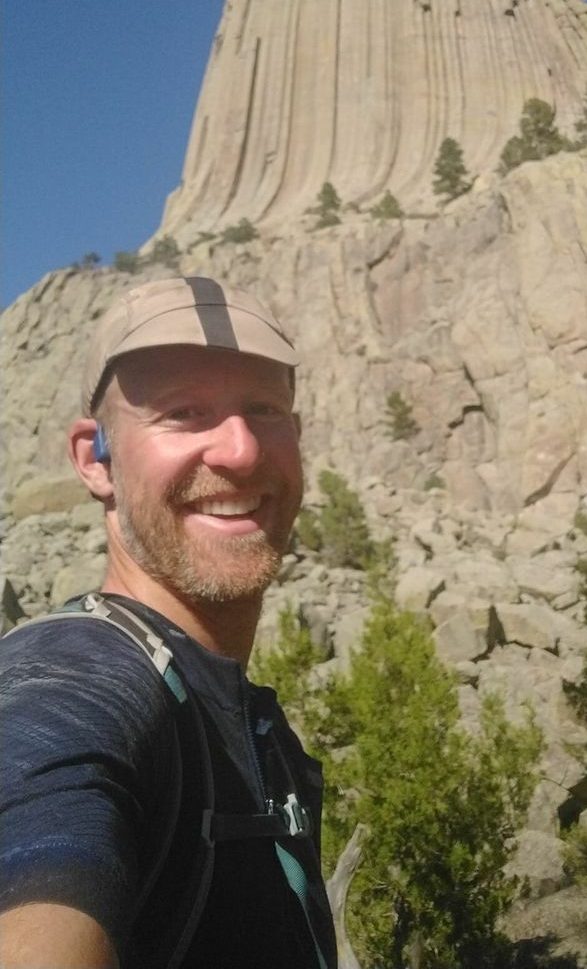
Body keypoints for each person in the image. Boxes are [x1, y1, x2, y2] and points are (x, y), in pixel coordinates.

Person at [0, 276, 338, 969]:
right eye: (182, 413)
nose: (240, 450)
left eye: (264, 409)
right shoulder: (73, 679)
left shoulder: (248, 715)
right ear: (94, 459)